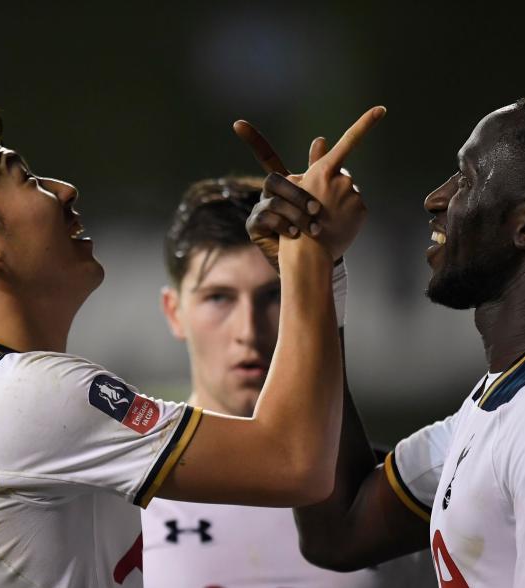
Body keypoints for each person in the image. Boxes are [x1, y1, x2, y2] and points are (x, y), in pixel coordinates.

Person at [0, 91, 383, 587]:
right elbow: (294, 462)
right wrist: (311, 253)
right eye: (27, 179)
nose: (64, 190)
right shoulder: (25, 395)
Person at [239, 91, 525, 588]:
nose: (437, 198)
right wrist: (314, 273)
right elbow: (339, 530)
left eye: (467, 178)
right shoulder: (519, 394)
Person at [142, 176, 437, 587]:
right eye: (218, 297)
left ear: (306, 299)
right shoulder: (124, 502)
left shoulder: (392, 496)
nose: (248, 330)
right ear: (174, 312)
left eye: (274, 295)